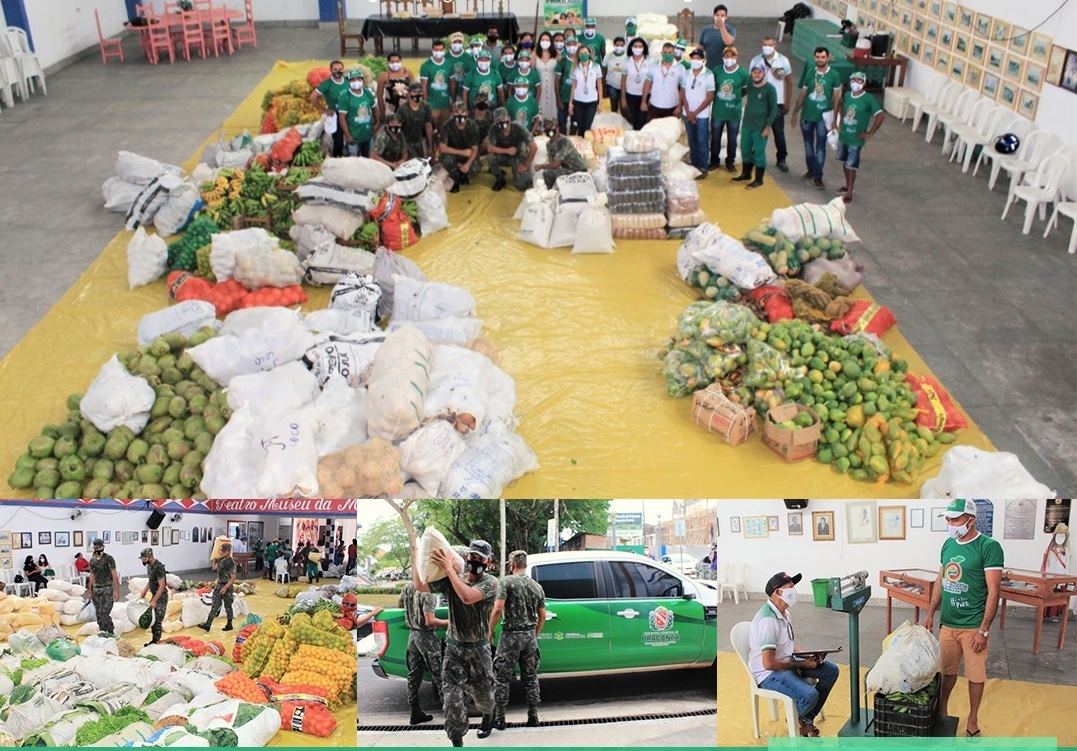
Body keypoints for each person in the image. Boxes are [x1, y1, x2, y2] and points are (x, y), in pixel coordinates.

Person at [921, 499, 1004, 739]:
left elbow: (994, 590)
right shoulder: (948, 544)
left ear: (971, 520)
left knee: (975, 676)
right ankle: (942, 712)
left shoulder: (989, 547)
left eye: (955, 519)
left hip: (973, 626)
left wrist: (983, 630)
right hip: (948, 624)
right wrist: (930, 613)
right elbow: (941, 581)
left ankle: (972, 719)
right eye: (948, 519)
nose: (950, 524)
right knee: (947, 671)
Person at [415, 540, 499, 747]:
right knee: (451, 702)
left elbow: (467, 597)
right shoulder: (453, 578)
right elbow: (420, 586)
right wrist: (417, 558)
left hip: (479, 650)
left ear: (488, 562)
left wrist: (449, 570)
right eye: (472, 556)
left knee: (484, 699)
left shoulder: (490, 583)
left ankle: (489, 716)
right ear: (467, 557)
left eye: (480, 558)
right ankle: (457, 741)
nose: (475, 561)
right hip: (454, 650)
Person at [748, 572, 839, 737]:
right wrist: (803, 664)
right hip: (769, 674)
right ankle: (798, 720)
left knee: (831, 670)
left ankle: (804, 718)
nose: (794, 590)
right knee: (810, 695)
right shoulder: (768, 620)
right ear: (778, 592)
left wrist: (809, 656)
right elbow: (769, 663)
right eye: (790, 587)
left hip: (785, 663)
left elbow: (788, 646)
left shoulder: (785, 614)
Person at [489, 550, 546, 730]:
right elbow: (542, 615)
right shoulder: (536, 586)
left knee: (502, 678)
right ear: (526, 565)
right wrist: (534, 634)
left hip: (510, 637)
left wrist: (490, 629)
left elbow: (498, 608)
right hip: (529, 637)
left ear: (511, 564)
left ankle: (500, 718)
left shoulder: (506, 582)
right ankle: (533, 716)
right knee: (530, 677)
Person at [791, 47, 843, 190]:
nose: (820, 59)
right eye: (818, 57)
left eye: (823, 57)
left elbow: (837, 98)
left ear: (828, 58)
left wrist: (834, 119)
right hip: (807, 115)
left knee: (820, 147)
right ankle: (811, 170)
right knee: (808, 145)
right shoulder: (810, 73)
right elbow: (802, 94)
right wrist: (795, 113)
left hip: (824, 117)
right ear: (814, 58)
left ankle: (818, 176)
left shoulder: (834, 75)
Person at [399, 577, 449, 724]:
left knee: (414, 676)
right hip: (426, 637)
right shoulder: (429, 593)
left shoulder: (408, 586)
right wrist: (451, 622)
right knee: (440, 674)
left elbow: (400, 603)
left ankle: (415, 712)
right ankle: (450, 714)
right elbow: (430, 621)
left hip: (413, 636)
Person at [834, 70, 884, 204]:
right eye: (853, 80)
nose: (855, 83)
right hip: (845, 135)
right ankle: (847, 185)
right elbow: (842, 104)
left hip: (856, 139)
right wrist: (839, 119)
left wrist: (870, 132)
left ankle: (850, 192)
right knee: (845, 162)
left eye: (859, 81)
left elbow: (880, 115)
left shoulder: (868, 99)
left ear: (864, 83)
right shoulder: (847, 95)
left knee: (851, 166)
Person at [749, 36, 794, 173]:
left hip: (777, 103)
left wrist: (787, 101)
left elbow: (789, 81)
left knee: (778, 133)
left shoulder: (783, 60)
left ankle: (781, 158)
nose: (767, 47)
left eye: (769, 45)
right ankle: (755, 155)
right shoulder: (756, 60)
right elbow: (751, 80)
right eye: (764, 44)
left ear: (775, 46)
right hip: (760, 103)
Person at [732, 61, 777, 189]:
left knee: (759, 153)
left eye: (759, 72)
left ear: (764, 73)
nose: (757, 75)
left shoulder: (770, 89)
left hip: (760, 127)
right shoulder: (750, 86)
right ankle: (746, 174)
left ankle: (759, 179)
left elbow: (773, 109)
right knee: (745, 150)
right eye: (754, 72)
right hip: (747, 124)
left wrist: (768, 126)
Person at [710, 46, 749, 173]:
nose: (729, 58)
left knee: (732, 140)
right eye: (726, 56)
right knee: (715, 138)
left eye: (732, 56)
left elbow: (745, 90)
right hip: (718, 112)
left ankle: (730, 162)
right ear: (722, 57)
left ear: (736, 57)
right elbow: (712, 88)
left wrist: (734, 98)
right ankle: (714, 161)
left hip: (734, 113)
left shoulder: (742, 73)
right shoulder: (717, 71)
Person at [681, 47, 715, 177]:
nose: (695, 61)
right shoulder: (686, 73)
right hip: (687, 113)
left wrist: (694, 113)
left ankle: (703, 167)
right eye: (693, 58)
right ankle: (694, 165)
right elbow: (683, 94)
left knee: (702, 141)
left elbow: (710, 96)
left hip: (702, 115)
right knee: (692, 140)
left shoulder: (708, 74)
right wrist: (688, 112)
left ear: (703, 60)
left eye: (698, 58)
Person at [484, 107, 536, 192]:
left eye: (503, 118)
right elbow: (489, 148)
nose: (501, 122)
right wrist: (507, 150)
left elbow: (534, 147)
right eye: (498, 120)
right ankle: (500, 178)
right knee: (490, 157)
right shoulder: (494, 128)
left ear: (508, 118)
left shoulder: (519, 128)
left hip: (517, 157)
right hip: (502, 155)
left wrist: (526, 165)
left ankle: (518, 172)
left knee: (522, 185)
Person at [439, 100, 481, 193]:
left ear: (466, 113)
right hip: (452, 155)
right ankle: (455, 179)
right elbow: (442, 148)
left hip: (466, 156)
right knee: (447, 161)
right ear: (452, 113)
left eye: (463, 112)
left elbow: (474, 149)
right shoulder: (446, 126)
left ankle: (463, 174)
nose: (460, 114)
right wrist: (463, 152)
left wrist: (468, 164)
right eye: (456, 112)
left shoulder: (473, 126)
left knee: (476, 168)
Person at [309, 60, 348, 157]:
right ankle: (338, 158)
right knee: (338, 140)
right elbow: (313, 97)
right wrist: (324, 110)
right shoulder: (327, 84)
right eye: (335, 69)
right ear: (331, 70)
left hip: (349, 113)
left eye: (340, 69)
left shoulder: (348, 81)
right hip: (336, 115)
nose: (338, 71)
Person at [534, 118, 588, 188]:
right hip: (567, 169)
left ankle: (551, 191)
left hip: (577, 170)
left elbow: (556, 164)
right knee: (549, 172)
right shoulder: (549, 144)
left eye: (551, 126)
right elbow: (552, 162)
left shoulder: (562, 141)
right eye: (547, 127)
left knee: (548, 173)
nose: (549, 129)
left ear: (557, 127)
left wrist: (541, 166)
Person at [337, 69, 378, 158]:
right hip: (354, 137)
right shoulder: (345, 96)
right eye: (353, 79)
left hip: (368, 135)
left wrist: (377, 123)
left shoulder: (367, 93)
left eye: (359, 79)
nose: (356, 81)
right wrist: (348, 135)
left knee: (368, 160)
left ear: (362, 80)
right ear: (349, 82)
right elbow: (342, 118)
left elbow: (375, 109)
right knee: (354, 162)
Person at [200, 542, 236, 632]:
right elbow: (214, 568)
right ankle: (208, 624)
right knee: (215, 605)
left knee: (228, 606)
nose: (222, 552)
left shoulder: (231, 563)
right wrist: (214, 560)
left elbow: (233, 577)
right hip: (219, 584)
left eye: (224, 551)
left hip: (227, 586)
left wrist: (225, 588)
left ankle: (229, 624)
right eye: (222, 550)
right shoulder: (221, 560)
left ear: (229, 551)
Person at [642, 42, 683, 121]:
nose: (667, 54)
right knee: (653, 127)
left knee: (670, 128)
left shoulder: (680, 68)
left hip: (672, 106)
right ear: (661, 53)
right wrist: (643, 101)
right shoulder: (654, 66)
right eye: (665, 52)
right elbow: (647, 84)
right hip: (654, 105)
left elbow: (683, 89)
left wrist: (680, 106)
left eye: (670, 53)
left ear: (674, 53)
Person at [86, 538, 120, 635]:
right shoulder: (92, 561)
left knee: (104, 613)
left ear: (103, 547)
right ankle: (103, 632)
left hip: (107, 589)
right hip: (96, 589)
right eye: (95, 548)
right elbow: (92, 576)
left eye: (99, 547)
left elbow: (114, 575)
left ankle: (110, 633)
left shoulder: (109, 559)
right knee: (98, 614)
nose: (97, 550)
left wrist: (116, 591)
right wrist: (90, 591)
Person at [568, 44, 603, 135]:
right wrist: (571, 102)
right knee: (580, 127)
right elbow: (573, 86)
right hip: (578, 101)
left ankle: (586, 141)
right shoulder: (575, 67)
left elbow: (599, 85)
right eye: (581, 53)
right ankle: (581, 143)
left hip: (592, 101)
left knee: (587, 127)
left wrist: (600, 102)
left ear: (589, 53)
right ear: (578, 55)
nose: (583, 55)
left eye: (585, 52)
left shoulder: (596, 66)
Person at [420, 39, 454, 129]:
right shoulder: (425, 66)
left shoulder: (449, 64)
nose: (438, 52)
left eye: (441, 50)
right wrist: (425, 104)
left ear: (444, 50)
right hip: (432, 105)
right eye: (436, 50)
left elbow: (452, 84)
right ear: (432, 50)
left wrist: (453, 100)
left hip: (445, 104)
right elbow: (423, 86)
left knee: (444, 129)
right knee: (431, 129)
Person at [396, 81, 434, 159]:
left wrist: (430, 146)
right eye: (415, 92)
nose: (418, 94)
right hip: (406, 143)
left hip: (421, 142)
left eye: (420, 91)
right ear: (409, 93)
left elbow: (428, 126)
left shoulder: (426, 107)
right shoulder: (402, 110)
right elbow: (398, 131)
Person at [1042, 523, 1071, 621]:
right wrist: (1045, 575)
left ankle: (1056, 615)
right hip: (1050, 577)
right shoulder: (1049, 550)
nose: (1060, 538)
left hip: (1061, 577)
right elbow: (1045, 564)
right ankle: (1047, 615)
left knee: (1058, 598)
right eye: (1059, 536)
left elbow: (1068, 564)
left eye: (1063, 536)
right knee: (1049, 596)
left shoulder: (1067, 551)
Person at [139, 547, 168, 647]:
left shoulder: (158, 567)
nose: (143, 561)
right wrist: (145, 590)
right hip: (154, 594)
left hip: (161, 596)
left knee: (157, 620)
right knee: (153, 618)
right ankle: (154, 640)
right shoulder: (149, 566)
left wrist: (155, 600)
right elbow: (151, 580)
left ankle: (157, 642)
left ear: (150, 557)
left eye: (144, 558)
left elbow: (162, 585)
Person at [621, 37, 650, 131]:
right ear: (631, 47)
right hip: (631, 95)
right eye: (635, 46)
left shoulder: (649, 61)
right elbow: (623, 80)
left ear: (644, 48)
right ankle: (635, 137)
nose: (637, 48)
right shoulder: (626, 61)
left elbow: (651, 80)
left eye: (640, 46)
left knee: (642, 120)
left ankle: (641, 135)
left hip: (645, 95)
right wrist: (623, 98)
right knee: (633, 119)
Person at [377, 51, 415, 120]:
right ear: (388, 62)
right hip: (391, 110)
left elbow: (414, 90)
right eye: (392, 62)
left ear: (400, 61)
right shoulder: (384, 76)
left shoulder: (407, 73)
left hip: (407, 109)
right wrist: (382, 113)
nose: (395, 63)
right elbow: (379, 96)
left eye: (397, 61)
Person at [554, 36, 578, 134]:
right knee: (562, 124)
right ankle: (563, 139)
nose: (572, 46)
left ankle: (573, 139)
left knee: (575, 124)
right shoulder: (562, 61)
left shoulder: (581, 61)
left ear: (577, 45)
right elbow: (557, 82)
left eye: (574, 44)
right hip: (564, 99)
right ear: (566, 46)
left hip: (577, 99)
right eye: (569, 44)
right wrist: (558, 99)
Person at [534, 31, 559, 122]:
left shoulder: (556, 54)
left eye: (547, 40)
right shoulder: (534, 54)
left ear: (551, 41)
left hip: (553, 86)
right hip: (540, 86)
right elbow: (532, 71)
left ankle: (552, 126)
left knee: (553, 107)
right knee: (540, 107)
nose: (545, 41)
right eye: (543, 39)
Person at [446, 32, 475, 103]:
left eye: (459, 42)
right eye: (455, 41)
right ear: (450, 43)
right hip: (448, 94)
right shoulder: (445, 57)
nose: (457, 43)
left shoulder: (468, 57)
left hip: (464, 93)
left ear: (463, 43)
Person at [602, 36, 628, 114]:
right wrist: (603, 87)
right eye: (617, 45)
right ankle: (614, 119)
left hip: (624, 87)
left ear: (624, 46)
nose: (619, 47)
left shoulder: (628, 57)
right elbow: (604, 72)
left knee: (624, 108)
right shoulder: (608, 56)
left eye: (621, 45)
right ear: (614, 45)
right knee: (614, 107)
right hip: (611, 85)